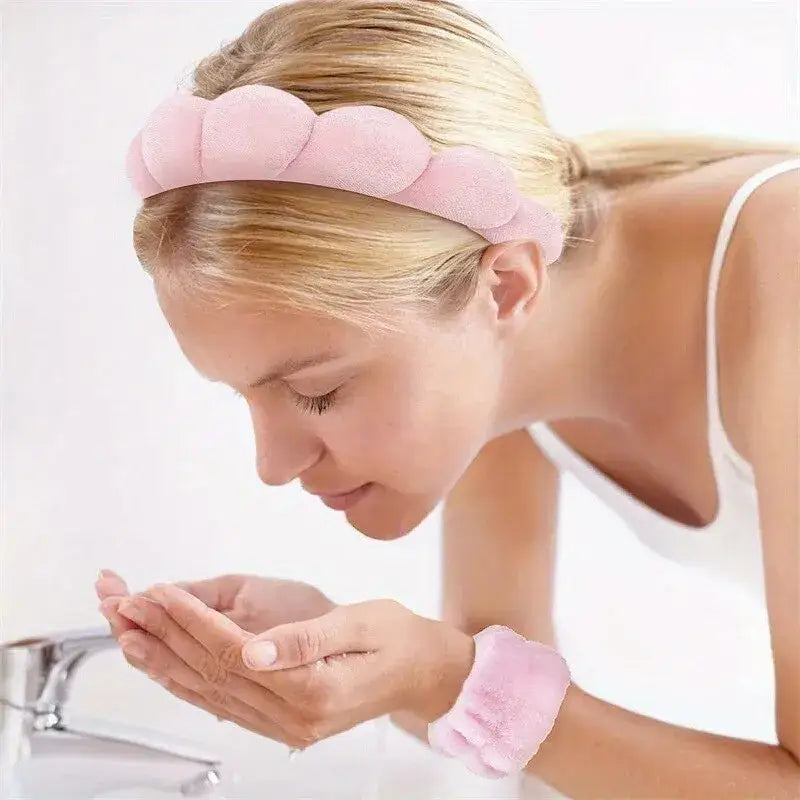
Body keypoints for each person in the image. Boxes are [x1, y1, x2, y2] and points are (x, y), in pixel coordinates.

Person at [95, 0, 800, 796]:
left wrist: (443, 679)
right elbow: (511, 707)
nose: (273, 466)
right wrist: (365, 668)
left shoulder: (788, 275)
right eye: (244, 397)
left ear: (504, 284)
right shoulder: (492, 352)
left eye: (316, 392)